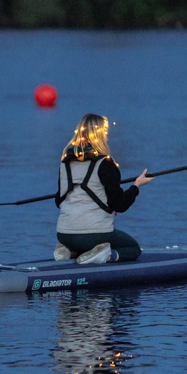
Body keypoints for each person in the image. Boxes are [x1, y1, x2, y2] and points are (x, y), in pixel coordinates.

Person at [54, 113, 152, 264]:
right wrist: (136, 185)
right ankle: (107, 256)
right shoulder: (105, 164)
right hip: (96, 234)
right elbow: (120, 205)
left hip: (64, 234)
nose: (106, 137)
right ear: (99, 134)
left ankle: (68, 251)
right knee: (133, 248)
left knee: (82, 240)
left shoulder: (65, 163)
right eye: (105, 133)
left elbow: (58, 201)